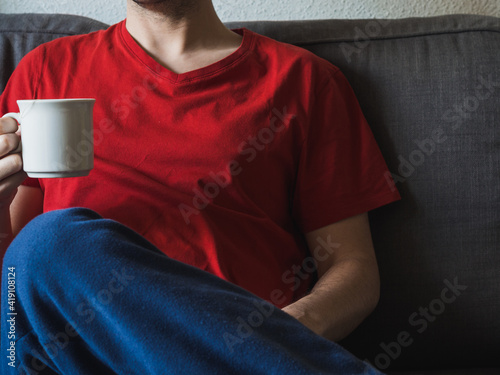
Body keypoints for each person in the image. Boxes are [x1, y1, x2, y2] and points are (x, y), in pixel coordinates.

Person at [0, 0, 400, 373]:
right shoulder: (45, 70)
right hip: (84, 357)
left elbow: (354, 270)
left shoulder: (304, 80)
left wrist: (276, 334)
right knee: (47, 245)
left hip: (245, 354)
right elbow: (17, 281)